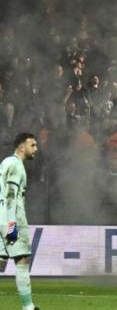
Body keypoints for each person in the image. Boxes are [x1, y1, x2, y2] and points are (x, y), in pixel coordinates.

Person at [0, 132, 41, 310]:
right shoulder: (15, 165)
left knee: (1, 262)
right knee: (22, 260)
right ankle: (28, 307)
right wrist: (11, 227)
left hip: (1, 217)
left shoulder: (7, 163)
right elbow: (10, 197)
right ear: (22, 147)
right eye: (33, 145)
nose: (36, 149)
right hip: (10, 219)